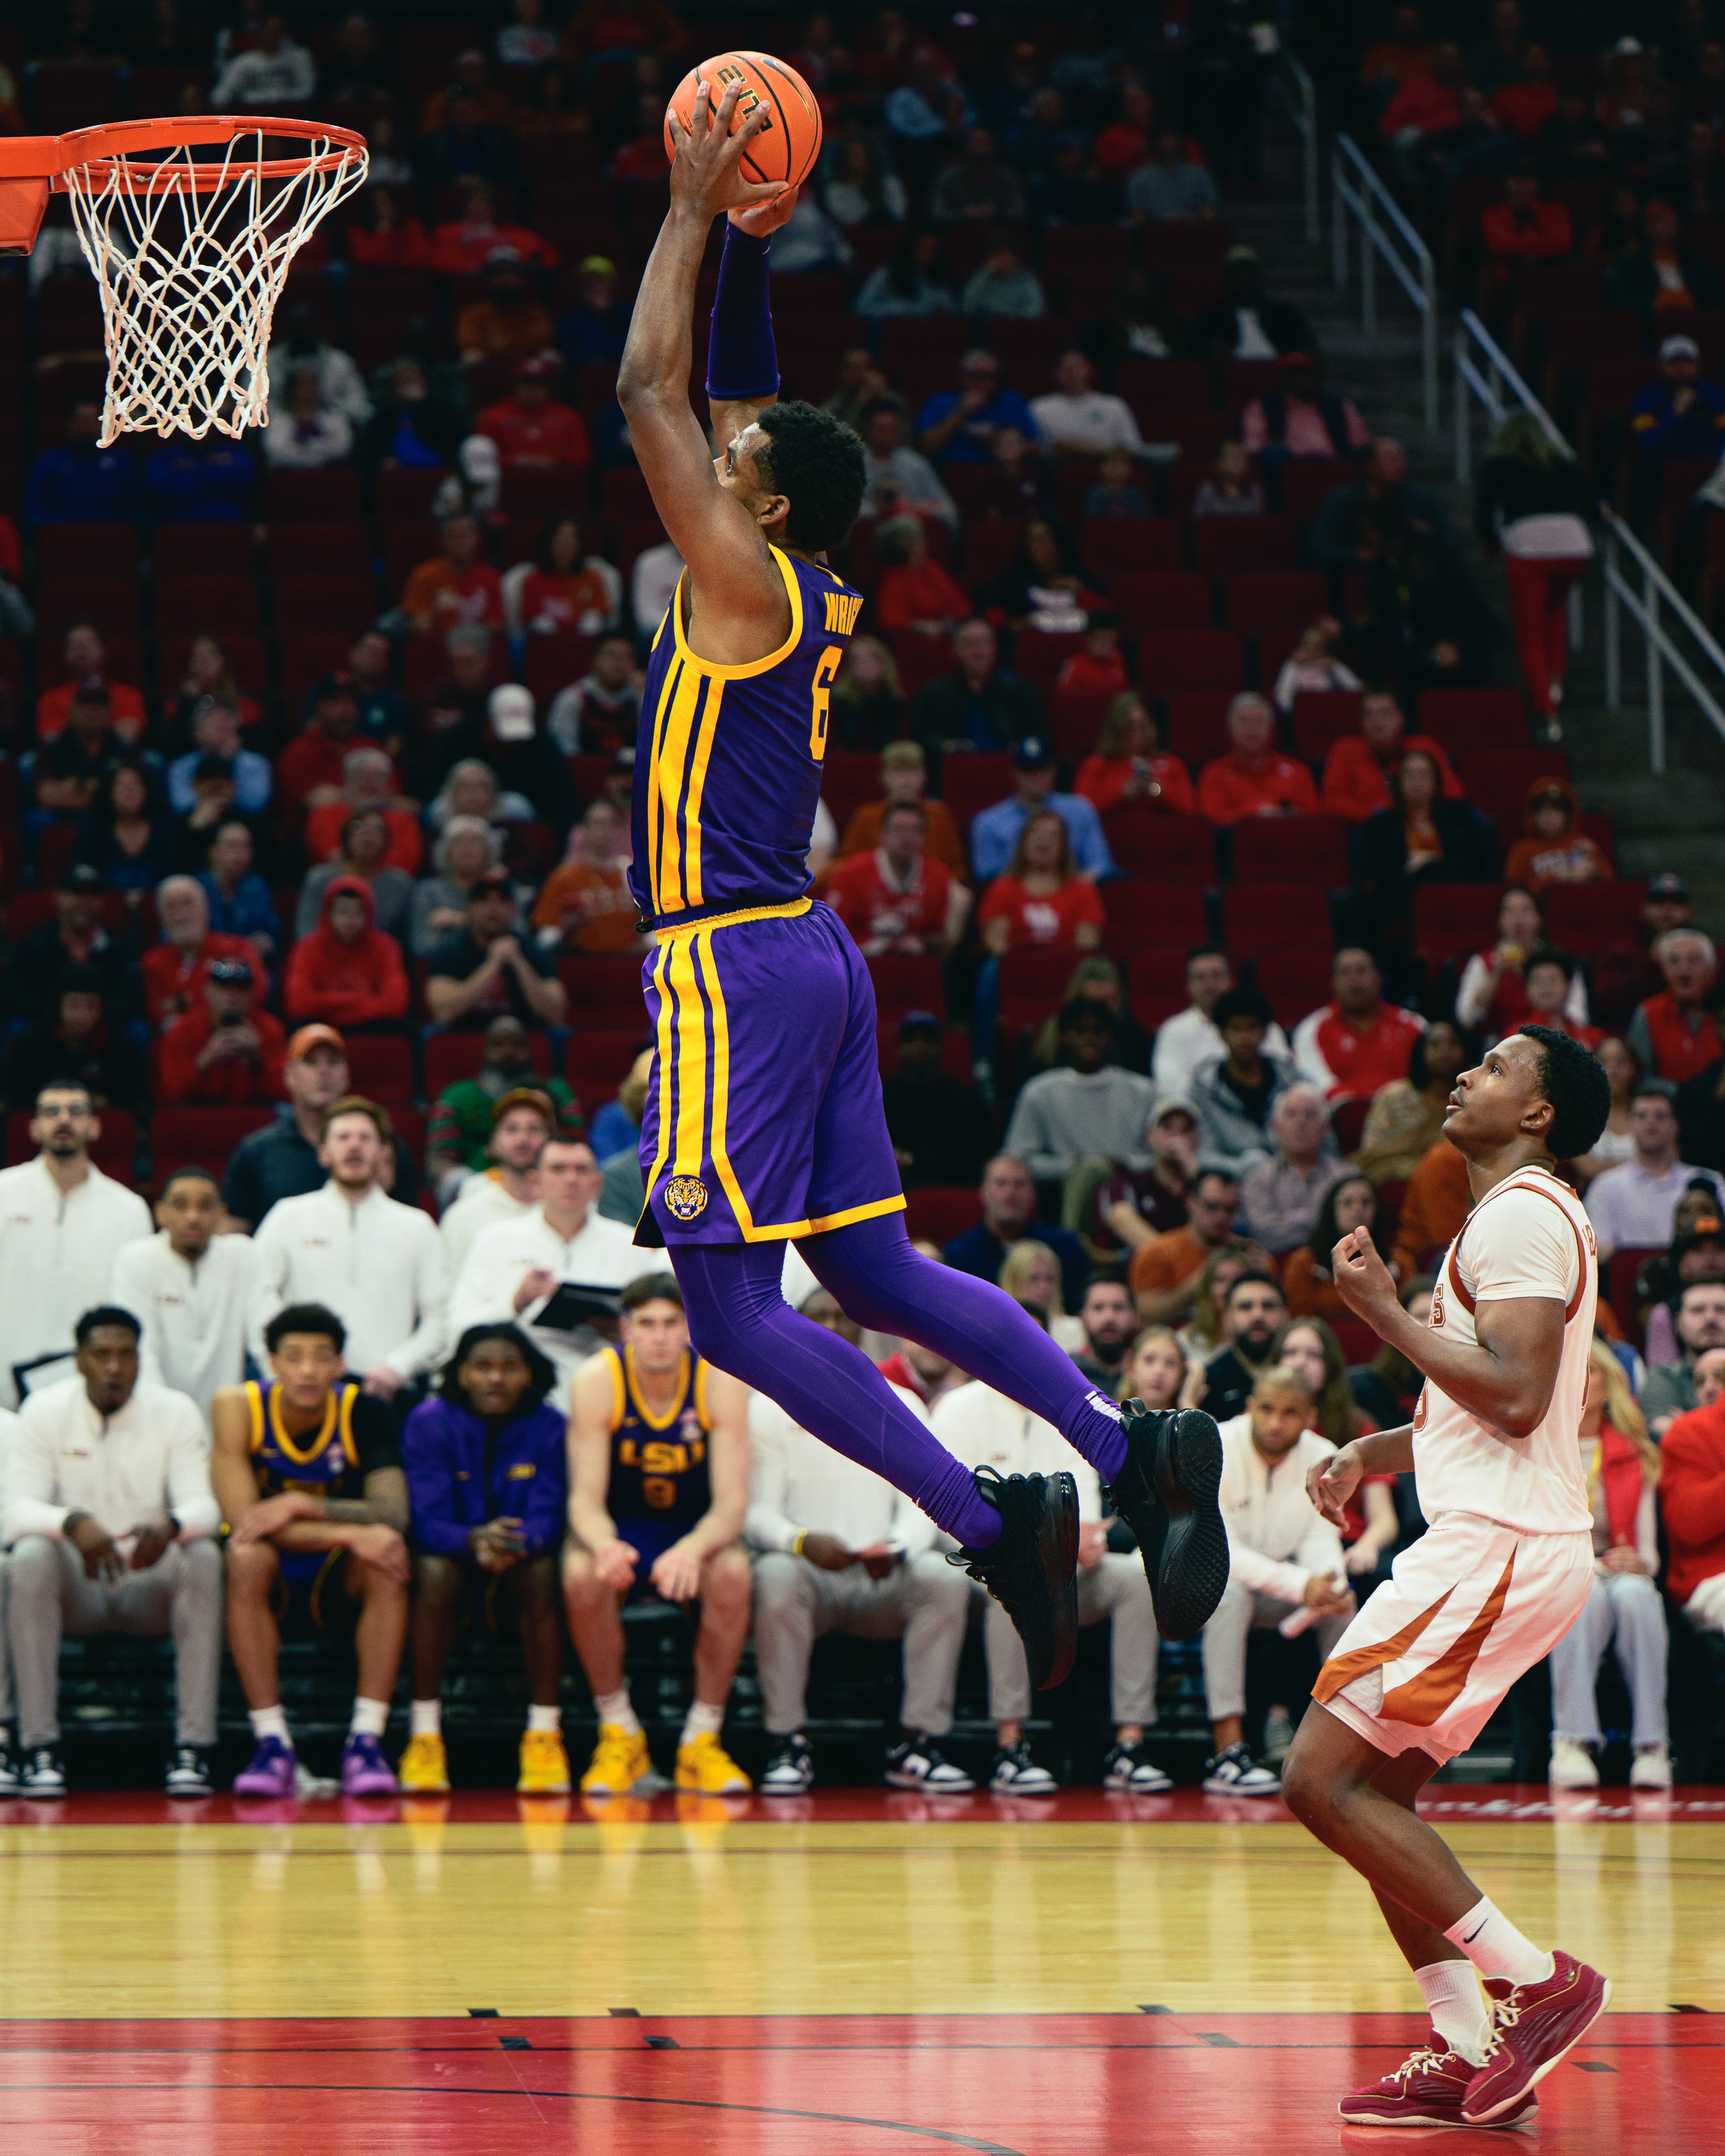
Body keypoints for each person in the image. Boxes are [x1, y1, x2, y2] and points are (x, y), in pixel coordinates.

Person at [613, 86, 1230, 1704]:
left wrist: (685, 204)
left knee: (731, 1310)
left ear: (751, 501)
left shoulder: (739, 576)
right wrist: (752, 236)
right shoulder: (798, 571)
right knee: (877, 1267)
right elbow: (735, 388)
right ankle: (1126, 1440)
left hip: (734, 964)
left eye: (728, 460)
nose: (713, 448)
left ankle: (988, 1516)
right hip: (808, 957)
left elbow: (643, 389)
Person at [1279, 1023, 1615, 2131]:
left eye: (1499, 1065)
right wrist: (1368, 1454)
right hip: (1510, 1536)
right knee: (1375, 1797)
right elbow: (1493, 1407)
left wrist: (1375, 1313)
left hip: (1497, 1544)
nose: (1468, 1073)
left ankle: (1536, 1981)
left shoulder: (1524, 1210)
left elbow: (1514, 1394)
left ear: (1539, 1114)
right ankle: (1463, 2042)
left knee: (1318, 1781)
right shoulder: (1513, 1218)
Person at [749, 1300, 974, 1795]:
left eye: (840, 1316)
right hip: (809, 1572)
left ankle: (918, 1744)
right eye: (819, 1317)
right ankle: (787, 1741)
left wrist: (898, 1547)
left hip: (883, 1575)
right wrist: (802, 1542)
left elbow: (924, 1500)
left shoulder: (903, 1401)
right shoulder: (766, 1403)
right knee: (774, 1574)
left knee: (943, 1578)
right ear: (797, 1326)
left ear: (857, 1324)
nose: (831, 1325)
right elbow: (758, 1513)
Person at [5, 1307, 221, 1798]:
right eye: (102, 1354)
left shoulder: (175, 1410)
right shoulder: (44, 1409)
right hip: (77, 1586)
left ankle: (195, 1746)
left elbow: (204, 1506)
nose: (114, 1367)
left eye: (126, 1355)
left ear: (140, 1361)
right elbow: (15, 1512)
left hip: (148, 1582)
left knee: (203, 1555)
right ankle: (39, 1746)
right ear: (79, 1361)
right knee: (29, 1555)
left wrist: (172, 1526)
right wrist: (72, 1522)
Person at [933, 1361, 1167, 1794]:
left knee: (1134, 1581)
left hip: (1066, 1564)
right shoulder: (957, 1409)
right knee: (1012, 1583)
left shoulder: (1061, 1406)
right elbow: (943, 1507)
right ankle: (1010, 1746)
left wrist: (1088, 1538)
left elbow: (1082, 1485)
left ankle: (1129, 1747)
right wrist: (1029, 1545)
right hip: (977, 1564)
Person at [563, 1272, 755, 1796]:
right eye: (646, 1324)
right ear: (625, 1329)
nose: (660, 1336)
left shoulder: (720, 1378)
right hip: (624, 1527)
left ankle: (702, 1740)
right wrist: (605, 1543)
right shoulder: (596, 1379)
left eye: (672, 1323)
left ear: (690, 1327)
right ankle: (620, 1731)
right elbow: (583, 1497)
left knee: (734, 1571)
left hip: (694, 1528)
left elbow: (732, 1504)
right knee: (582, 1572)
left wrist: (693, 1548)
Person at [213, 1303, 409, 1799]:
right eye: (294, 1357)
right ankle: (271, 1744)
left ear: (340, 1365)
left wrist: (300, 1502)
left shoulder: (364, 1409)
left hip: (336, 1577)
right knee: (245, 1556)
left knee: (386, 1553)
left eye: (322, 1358)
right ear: (272, 1363)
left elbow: (393, 1513)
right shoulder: (237, 1405)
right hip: (271, 1571)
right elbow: (245, 1523)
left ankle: (366, 1740)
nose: (308, 1370)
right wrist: (345, 1530)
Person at [397, 1323, 573, 1796]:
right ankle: (424, 1735)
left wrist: (513, 1542)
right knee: (432, 1570)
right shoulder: (428, 1420)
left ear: (530, 1374)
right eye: (483, 1367)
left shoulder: (551, 1425)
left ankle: (543, 1734)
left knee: (543, 1571)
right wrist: (473, 1538)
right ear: (461, 1373)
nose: (496, 1379)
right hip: (452, 1566)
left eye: (509, 1368)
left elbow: (551, 1514)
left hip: (519, 1564)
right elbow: (424, 1519)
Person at [1199, 1363, 1356, 1799]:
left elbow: (1321, 1537)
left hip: (1285, 1590)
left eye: (1290, 1413)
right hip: (1217, 1582)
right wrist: (1301, 1585)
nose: (1274, 1423)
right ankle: (1227, 1752)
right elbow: (1220, 1552)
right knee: (1229, 1597)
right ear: (1249, 1407)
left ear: (1309, 1417)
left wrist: (1330, 1582)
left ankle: (1349, 1755)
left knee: (1345, 1608)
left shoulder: (1323, 1454)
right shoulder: (1217, 1444)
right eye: (1266, 1409)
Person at [250, 1098, 449, 1394]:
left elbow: (441, 1317)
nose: (354, 1146)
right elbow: (256, 1300)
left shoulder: (417, 1226)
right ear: (323, 1153)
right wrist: (281, 1373)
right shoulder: (287, 1217)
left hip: (388, 1392)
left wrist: (399, 1366)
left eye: (365, 1138)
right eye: (343, 1137)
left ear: (383, 1153)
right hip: (304, 1392)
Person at [1547, 1342, 1670, 1790]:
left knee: (1637, 1593)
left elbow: (1650, 1556)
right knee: (1583, 1595)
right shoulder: (1539, 1449)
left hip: (1618, 1570)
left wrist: (1637, 1561)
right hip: (1560, 1572)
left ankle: (1652, 1745)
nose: (1578, 1379)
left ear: (1609, 1385)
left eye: (1590, 1369)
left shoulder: (1634, 1452)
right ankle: (1571, 1741)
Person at [449, 1134, 640, 1395]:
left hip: (609, 1387)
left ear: (597, 1185)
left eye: (581, 1170)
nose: (570, 1179)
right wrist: (516, 1302)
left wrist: (622, 1332)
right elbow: (458, 1330)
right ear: (535, 1182)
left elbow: (665, 1332)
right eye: (558, 1169)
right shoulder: (495, 1239)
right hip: (519, 1395)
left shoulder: (631, 1243)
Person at [0, 1083, 152, 1410]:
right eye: (52, 1112)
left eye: (76, 1111)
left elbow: (130, 1307)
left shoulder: (129, 1209)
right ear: (34, 1128)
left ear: (95, 1127)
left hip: (84, 1380)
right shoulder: (3, 1193)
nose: (64, 1120)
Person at [222, 1025, 419, 1230]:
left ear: (346, 1074)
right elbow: (234, 1238)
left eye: (333, 1062)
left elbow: (409, 1228)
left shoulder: (383, 1147)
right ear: (289, 1075)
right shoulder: (256, 1151)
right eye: (311, 1062)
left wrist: (381, 1195)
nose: (323, 1071)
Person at [1472, 414, 1595, 736]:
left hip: (1530, 546)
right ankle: (1555, 681)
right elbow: (1588, 498)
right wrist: (1605, 516)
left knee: (1530, 633)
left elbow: (1485, 512)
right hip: (1573, 544)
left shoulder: (1498, 465)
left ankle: (1545, 708)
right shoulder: (1559, 460)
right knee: (1555, 610)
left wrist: (1488, 543)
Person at [108, 1168, 253, 1421]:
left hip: (227, 1420)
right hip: (156, 1418)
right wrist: (165, 1421)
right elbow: (141, 1348)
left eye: (205, 1206)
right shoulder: (136, 1259)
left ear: (222, 1215)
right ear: (160, 1212)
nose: (193, 1217)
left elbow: (266, 1338)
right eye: (180, 1205)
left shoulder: (243, 1257)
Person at [1003, 1000, 1158, 1185]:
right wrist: (1075, 1167)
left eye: (1097, 1031)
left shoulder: (1143, 1090)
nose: (1089, 1039)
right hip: (1061, 1192)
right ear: (1064, 1036)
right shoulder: (1038, 1092)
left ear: (1108, 1036)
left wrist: (1124, 1164)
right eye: (1079, 1031)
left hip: (1133, 1189)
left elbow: (1161, 1156)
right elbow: (1018, 1159)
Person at [428, 1015, 579, 1191]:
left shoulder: (556, 1092)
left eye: (517, 1044)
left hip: (548, 1180)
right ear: (484, 1050)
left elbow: (575, 1146)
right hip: (475, 1183)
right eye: (498, 1044)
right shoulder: (456, 1096)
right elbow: (439, 1160)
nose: (508, 1051)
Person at [1586, 1083, 1725, 1257]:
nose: (1651, 1122)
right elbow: (1600, 1253)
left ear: (1676, 1125)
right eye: (1642, 1116)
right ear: (1630, 1124)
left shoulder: (1710, 1181)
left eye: (1660, 1116)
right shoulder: (1605, 1187)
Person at [1356, 749, 1492, 924]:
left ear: (1436, 781)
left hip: (1456, 895)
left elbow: (1476, 862)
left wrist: (1432, 865)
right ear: (1399, 781)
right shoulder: (1380, 825)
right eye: (1410, 775)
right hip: (1402, 906)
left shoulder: (1461, 817)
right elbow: (1375, 876)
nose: (1416, 781)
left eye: (1423, 774)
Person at [942, 1154, 1090, 1316]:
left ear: (1033, 1193)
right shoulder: (958, 1255)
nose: (1010, 1192)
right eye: (1001, 1183)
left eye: (1019, 1184)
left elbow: (1081, 1308)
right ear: (983, 1192)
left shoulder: (1066, 1247)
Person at [824, 801, 969, 958]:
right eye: (898, 829)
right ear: (883, 834)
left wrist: (924, 943)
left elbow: (937, 936)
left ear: (924, 836)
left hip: (914, 967)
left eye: (914, 830)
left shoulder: (937, 875)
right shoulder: (851, 872)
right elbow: (833, 934)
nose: (907, 837)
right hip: (862, 964)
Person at [1, 970, 147, 1116]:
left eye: (91, 1007)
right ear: (59, 1007)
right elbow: (20, 1102)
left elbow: (128, 1102)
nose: (82, 1015)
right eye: (73, 1005)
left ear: (103, 1010)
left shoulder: (120, 1048)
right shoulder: (29, 1046)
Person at [969, 736, 1113, 883]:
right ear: (1015, 773)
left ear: (1055, 770)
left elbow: (1100, 864)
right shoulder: (988, 823)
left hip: (1072, 896)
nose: (1036, 776)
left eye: (1042, 768)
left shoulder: (1080, 809)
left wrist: (1068, 893)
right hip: (1017, 901)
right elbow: (988, 876)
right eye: (1028, 769)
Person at [880, 1011, 996, 1191]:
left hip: (961, 1190)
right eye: (912, 1040)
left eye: (928, 1040)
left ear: (941, 1047)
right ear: (899, 1049)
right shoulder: (881, 1102)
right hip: (904, 1195)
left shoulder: (967, 1099)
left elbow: (988, 1155)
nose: (921, 1046)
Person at [1192, 986, 1301, 1173]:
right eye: (1235, 1029)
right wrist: (1248, 1169)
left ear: (1266, 1032)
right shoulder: (1203, 1089)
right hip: (1231, 1182)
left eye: (1252, 1028)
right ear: (1222, 1033)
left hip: (1295, 1177)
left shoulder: (1294, 1082)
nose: (1244, 1037)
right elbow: (1204, 1153)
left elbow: (1321, 1144)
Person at [1293, 948, 1426, 1102]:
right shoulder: (1311, 1028)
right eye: (1345, 973)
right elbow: (1318, 1082)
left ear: (1379, 978)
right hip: (1342, 1115)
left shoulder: (1412, 1024)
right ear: (1333, 983)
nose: (1355, 980)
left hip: (1406, 1112)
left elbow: (1429, 1079)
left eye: (1362, 971)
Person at [1127, 1167, 1252, 1327]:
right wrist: (1189, 1291)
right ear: (1190, 1202)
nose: (1222, 1217)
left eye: (1230, 1210)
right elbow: (1142, 1315)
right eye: (1212, 1207)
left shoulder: (1245, 1253)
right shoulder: (1157, 1252)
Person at [1320, 687, 1466, 824]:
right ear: (1361, 723)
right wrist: (1378, 816)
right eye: (1368, 714)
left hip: (1426, 823)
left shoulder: (1424, 746)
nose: (1377, 722)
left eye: (1386, 713)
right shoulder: (1345, 750)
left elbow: (1454, 794)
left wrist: (1419, 815)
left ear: (1402, 718)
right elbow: (1332, 801)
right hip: (1370, 830)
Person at [157, 956, 286, 1108]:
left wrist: (256, 1060)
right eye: (223, 986)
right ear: (207, 991)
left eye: (241, 987)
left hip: (253, 1116)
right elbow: (169, 1094)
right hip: (198, 1115)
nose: (232, 994)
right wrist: (203, 1062)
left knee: (284, 1110)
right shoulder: (183, 1029)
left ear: (251, 994)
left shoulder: (269, 1029)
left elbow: (284, 1093)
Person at [978, 809, 1107, 958]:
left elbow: (1086, 945)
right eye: (1036, 833)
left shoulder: (1083, 890)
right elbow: (996, 943)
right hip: (1014, 966)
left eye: (1052, 835)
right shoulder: (1002, 887)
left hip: (1067, 967)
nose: (1043, 839)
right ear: (1023, 842)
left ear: (1063, 846)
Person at [1355, 1022, 1470, 1185]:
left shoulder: (1474, 1096)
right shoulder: (1394, 1096)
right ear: (1420, 1051)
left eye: (1453, 1043)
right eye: (1435, 1044)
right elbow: (1371, 1152)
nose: (1445, 1050)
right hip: (1393, 1177)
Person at [1240, 1085, 1347, 1258]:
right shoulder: (1257, 1179)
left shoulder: (1345, 1178)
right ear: (1276, 1126)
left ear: (1324, 1127)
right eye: (1291, 1114)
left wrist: (1286, 1221)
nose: (1301, 1122)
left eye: (1310, 1115)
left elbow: (1349, 1231)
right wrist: (1321, 1219)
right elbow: (1266, 1236)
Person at [1285, 1174, 1398, 1325]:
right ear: (1332, 1209)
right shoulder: (1304, 1263)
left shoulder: (1399, 1262)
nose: (1358, 1208)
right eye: (1348, 1202)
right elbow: (1299, 1321)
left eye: (1366, 1202)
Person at [1197, 693, 1320, 824]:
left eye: (1259, 721)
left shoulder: (1297, 770)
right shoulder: (1214, 773)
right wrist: (1256, 815)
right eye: (1243, 721)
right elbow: (1212, 819)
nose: (1252, 728)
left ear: (1272, 728)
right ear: (1230, 728)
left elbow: (1314, 818)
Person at [1098, 1098, 1197, 1254]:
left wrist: (1193, 1171)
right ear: (1149, 1136)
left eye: (1185, 1130)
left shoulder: (1201, 1186)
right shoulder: (1127, 1183)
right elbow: (1120, 1218)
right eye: (1167, 1128)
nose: (1176, 1137)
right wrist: (1176, 1260)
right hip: (1137, 1267)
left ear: (1196, 1139)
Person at [1073, 693, 1196, 818]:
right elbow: (1081, 811)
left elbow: (1190, 810)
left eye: (1142, 725)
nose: (1137, 732)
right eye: (1130, 726)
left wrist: (1159, 791)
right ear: (1116, 729)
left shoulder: (1172, 764)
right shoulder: (1096, 765)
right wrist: (1121, 793)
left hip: (1163, 832)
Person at [1240, 351, 1370, 464]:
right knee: (1274, 454)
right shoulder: (1263, 405)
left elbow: (1360, 444)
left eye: (1303, 374)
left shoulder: (1339, 405)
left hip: (1331, 466)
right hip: (1288, 468)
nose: (1299, 380)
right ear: (1282, 377)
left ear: (1314, 377)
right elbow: (1253, 446)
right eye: (1292, 374)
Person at [916, 349, 1039, 467]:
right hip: (952, 473)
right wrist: (961, 413)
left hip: (1001, 474)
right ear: (963, 376)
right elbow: (925, 448)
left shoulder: (1011, 401)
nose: (984, 382)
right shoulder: (940, 402)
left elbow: (1036, 446)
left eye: (991, 376)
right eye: (977, 376)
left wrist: (1001, 441)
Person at [1192, 244, 1317, 361]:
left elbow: (1307, 350)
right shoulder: (1213, 318)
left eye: (1248, 273)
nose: (1243, 280)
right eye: (1237, 274)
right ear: (1227, 278)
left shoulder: (1283, 315)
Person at [1628, 928, 1719, 1085]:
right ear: (1664, 972)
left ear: (1712, 970)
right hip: (1668, 1103)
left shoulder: (1722, 1010)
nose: (1683, 969)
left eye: (1693, 960)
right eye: (1674, 961)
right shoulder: (1648, 1012)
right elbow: (1638, 1077)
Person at [1198, 1270, 1292, 1423]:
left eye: (1268, 1306)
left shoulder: (1302, 1372)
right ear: (1227, 1318)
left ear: (1286, 1315)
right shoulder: (1209, 1382)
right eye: (1245, 1307)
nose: (1258, 1315)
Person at [400, 512, 506, 636]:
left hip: (477, 646)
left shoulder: (490, 577)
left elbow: (496, 625)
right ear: (443, 539)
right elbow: (421, 625)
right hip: (438, 647)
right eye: (454, 535)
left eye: (467, 534)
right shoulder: (424, 575)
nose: (461, 540)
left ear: (478, 538)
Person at [1501, 778, 1613, 891]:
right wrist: (1555, 878)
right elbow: (1513, 895)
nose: (1549, 817)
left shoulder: (1583, 844)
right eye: (1543, 811)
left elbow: (1611, 884)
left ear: (1568, 815)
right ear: (1532, 816)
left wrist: (1594, 868)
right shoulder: (1521, 850)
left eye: (1556, 811)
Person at [546, 635, 643, 757]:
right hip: (585, 773)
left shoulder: (642, 699)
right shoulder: (573, 699)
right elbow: (564, 753)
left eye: (627, 657)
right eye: (611, 655)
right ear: (595, 660)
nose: (619, 663)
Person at [1072, 1275, 1139, 1392]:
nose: (1109, 1317)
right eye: (1098, 1308)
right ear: (1082, 1318)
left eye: (1118, 1307)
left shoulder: (1148, 1376)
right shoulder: (1068, 1374)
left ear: (1134, 1316)